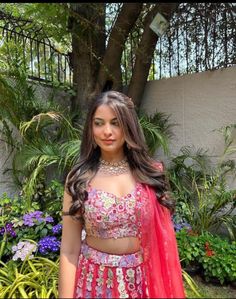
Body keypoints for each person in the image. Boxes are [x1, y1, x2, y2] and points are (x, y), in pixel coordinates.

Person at [58, 90, 186, 298]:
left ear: (128, 126)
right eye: (99, 123)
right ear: (91, 128)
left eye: (115, 123)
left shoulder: (150, 174)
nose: (106, 131)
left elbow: (163, 242)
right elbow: (69, 250)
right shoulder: (79, 179)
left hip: (141, 284)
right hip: (94, 284)